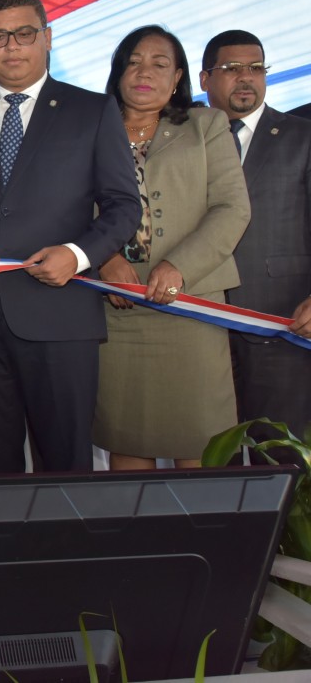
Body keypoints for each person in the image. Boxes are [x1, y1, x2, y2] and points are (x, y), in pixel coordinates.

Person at [0, 0, 141, 474]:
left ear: (47, 38)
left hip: (62, 315)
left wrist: (80, 255)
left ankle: (67, 552)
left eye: (24, 34)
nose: (11, 47)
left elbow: (123, 207)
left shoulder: (92, 111)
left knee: (65, 466)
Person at [91, 26, 250, 468]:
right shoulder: (87, 128)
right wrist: (104, 258)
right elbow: (68, 207)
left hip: (193, 308)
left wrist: (179, 266)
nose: (145, 72)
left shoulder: (207, 126)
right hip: (117, 312)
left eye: (160, 63)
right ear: (118, 71)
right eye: (134, 61)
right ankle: (138, 539)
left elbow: (232, 209)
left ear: (178, 76)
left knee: (201, 447)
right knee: (127, 443)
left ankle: (203, 539)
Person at [200, 30, 311, 449]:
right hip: (197, 322)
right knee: (209, 462)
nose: (246, 78)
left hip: (281, 321)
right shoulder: (181, 140)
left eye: (256, 68)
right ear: (205, 78)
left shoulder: (302, 136)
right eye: (231, 69)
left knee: (281, 460)